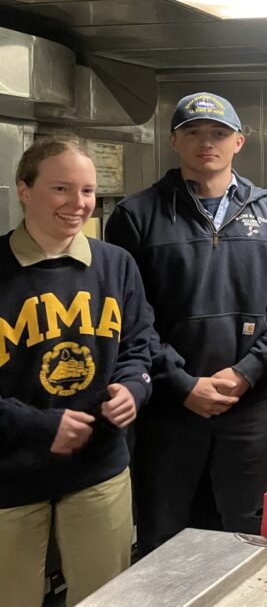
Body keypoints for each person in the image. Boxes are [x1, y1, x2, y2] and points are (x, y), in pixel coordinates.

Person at [105, 92, 267, 555]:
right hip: (169, 410)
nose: (205, 142)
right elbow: (130, 316)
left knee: (251, 535)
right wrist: (181, 382)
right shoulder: (136, 215)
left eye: (217, 133)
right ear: (174, 140)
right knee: (164, 537)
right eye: (192, 132)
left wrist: (246, 372)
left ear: (239, 141)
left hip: (249, 407)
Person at [0, 139, 154, 606]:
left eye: (87, 191)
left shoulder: (116, 264)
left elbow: (139, 345)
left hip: (98, 467)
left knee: (106, 596)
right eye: (61, 188)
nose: (78, 203)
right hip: (10, 475)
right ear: (24, 190)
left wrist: (132, 388)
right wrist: (41, 425)